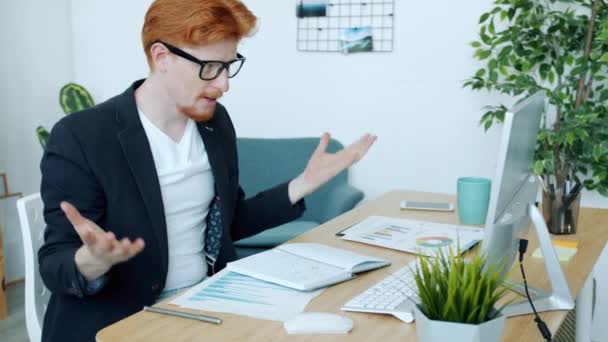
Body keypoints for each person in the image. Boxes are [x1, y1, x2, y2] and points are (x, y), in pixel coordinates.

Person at [38, 0, 376, 341]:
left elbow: (229, 222)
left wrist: (304, 183)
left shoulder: (214, 124)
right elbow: (55, 264)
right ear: (161, 57)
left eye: (229, 66)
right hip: (121, 321)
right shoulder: (82, 136)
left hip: (204, 305)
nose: (224, 84)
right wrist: (91, 261)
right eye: (211, 67)